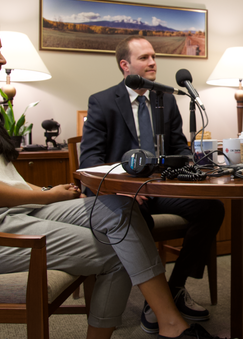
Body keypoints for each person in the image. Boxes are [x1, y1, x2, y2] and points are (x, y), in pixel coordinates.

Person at [0, 15, 227, 339]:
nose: (2, 59)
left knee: (120, 211)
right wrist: (47, 195)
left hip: (12, 214)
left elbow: (3, 179)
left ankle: (169, 318)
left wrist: (46, 190)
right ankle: (171, 322)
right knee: (119, 247)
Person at [79, 35, 225, 334]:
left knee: (212, 209)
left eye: (154, 56)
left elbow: (179, 148)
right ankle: (159, 301)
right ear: (125, 65)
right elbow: (90, 160)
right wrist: (120, 188)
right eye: (144, 57)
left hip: (162, 188)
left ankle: (173, 289)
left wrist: (191, 168)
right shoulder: (103, 101)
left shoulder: (166, 99)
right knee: (132, 217)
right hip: (123, 193)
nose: (153, 62)